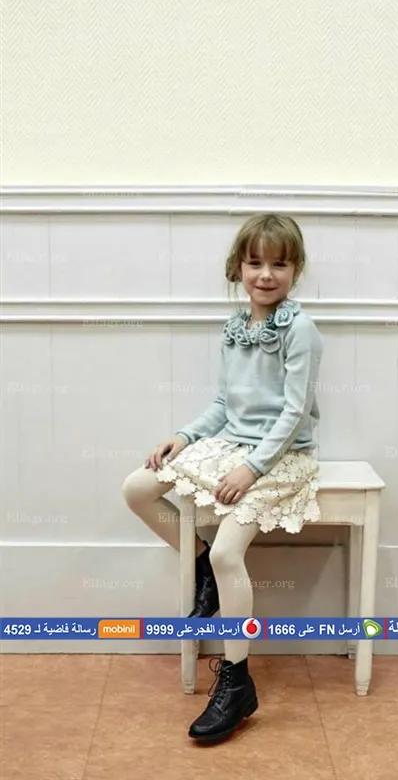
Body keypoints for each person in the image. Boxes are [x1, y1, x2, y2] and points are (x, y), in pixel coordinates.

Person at [122, 213, 323, 744]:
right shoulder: (234, 329)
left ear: (296, 270)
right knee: (137, 488)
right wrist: (184, 436)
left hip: (281, 456)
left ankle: (237, 681)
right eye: (255, 263)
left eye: (279, 264)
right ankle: (199, 565)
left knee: (229, 553)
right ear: (238, 268)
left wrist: (252, 468)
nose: (266, 274)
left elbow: (294, 413)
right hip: (233, 444)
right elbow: (223, 403)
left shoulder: (300, 330)